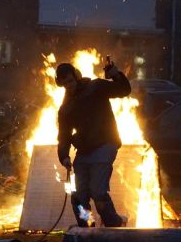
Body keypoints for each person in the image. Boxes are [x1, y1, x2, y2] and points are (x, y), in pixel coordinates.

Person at [56, 59, 131, 227]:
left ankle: (115, 225)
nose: (68, 86)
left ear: (76, 76)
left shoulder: (96, 87)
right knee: (79, 196)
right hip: (84, 151)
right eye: (64, 84)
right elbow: (64, 135)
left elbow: (124, 90)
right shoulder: (65, 108)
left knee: (98, 192)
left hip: (105, 144)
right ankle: (87, 226)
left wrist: (116, 75)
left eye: (69, 81)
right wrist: (64, 156)